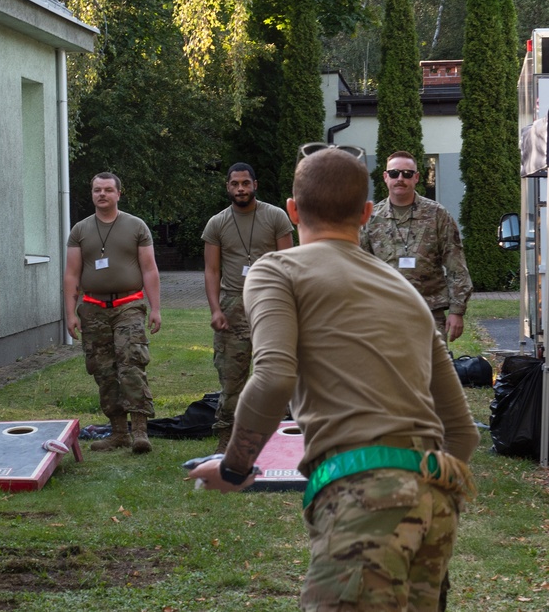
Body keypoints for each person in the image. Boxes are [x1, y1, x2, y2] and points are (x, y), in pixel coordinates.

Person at [188, 147, 479, 611]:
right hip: (437, 502)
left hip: (363, 499)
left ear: (292, 210)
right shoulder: (405, 290)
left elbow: (273, 378)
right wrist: (420, 491)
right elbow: (462, 431)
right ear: (366, 213)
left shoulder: (277, 270)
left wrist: (234, 467)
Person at [64, 172, 161, 454]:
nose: (102, 194)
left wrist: (155, 309)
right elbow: (71, 275)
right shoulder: (80, 230)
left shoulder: (136, 226)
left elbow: (149, 269)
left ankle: (140, 431)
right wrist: (71, 313)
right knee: (104, 371)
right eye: (97, 190)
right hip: (93, 309)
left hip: (128, 305)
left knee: (131, 364)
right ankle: (119, 432)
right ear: (91, 194)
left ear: (119, 193)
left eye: (108, 190)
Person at [201, 163, 293, 453]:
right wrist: (216, 310)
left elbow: (288, 264)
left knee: (277, 378)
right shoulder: (217, 223)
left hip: (271, 304)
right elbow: (212, 270)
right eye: (235, 184)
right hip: (233, 306)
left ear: (255, 184)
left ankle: (281, 439)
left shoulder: (275, 217)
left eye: (245, 183)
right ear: (228, 187)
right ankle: (227, 438)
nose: (240, 189)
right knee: (231, 380)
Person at [361, 151, 473, 342]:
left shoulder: (437, 215)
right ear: (385, 177)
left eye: (407, 174)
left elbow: (456, 264)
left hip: (429, 311)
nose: (400, 179)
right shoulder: (371, 218)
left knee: (432, 370)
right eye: (395, 173)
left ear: (417, 178)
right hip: (384, 314)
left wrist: (457, 311)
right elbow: (359, 268)